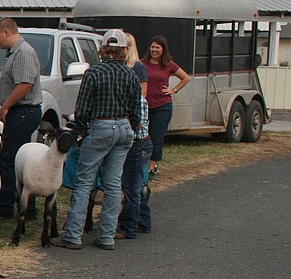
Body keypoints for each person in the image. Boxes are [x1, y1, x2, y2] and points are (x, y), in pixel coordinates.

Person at [51, 30, 141, 250]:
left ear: (103, 49)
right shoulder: (131, 75)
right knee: (112, 183)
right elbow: (136, 110)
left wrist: (80, 132)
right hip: (124, 127)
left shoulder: (93, 73)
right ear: (123, 50)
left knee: (84, 182)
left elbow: (82, 109)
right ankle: (107, 236)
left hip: (100, 126)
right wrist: (131, 126)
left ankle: (72, 235)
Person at [0, 17, 43, 220]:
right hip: (20, 111)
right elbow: (5, 83)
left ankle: (5, 208)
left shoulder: (23, 53)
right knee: (18, 160)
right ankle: (27, 207)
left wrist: (6, 106)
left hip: (23, 111)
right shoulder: (12, 54)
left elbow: (24, 84)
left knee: (10, 160)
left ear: (6, 32)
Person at [116, 33, 152, 239]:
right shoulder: (135, 100)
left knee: (131, 186)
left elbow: (135, 123)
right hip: (141, 143)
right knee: (135, 185)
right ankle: (143, 221)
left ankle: (128, 227)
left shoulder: (136, 101)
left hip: (138, 144)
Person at [144, 35, 191, 179]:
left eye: (157, 47)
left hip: (162, 106)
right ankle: (142, 164)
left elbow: (186, 78)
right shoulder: (142, 63)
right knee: (144, 137)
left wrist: (173, 90)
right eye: (152, 47)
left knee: (156, 137)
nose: (154, 50)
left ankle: (152, 167)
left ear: (163, 49)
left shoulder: (168, 64)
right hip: (145, 106)